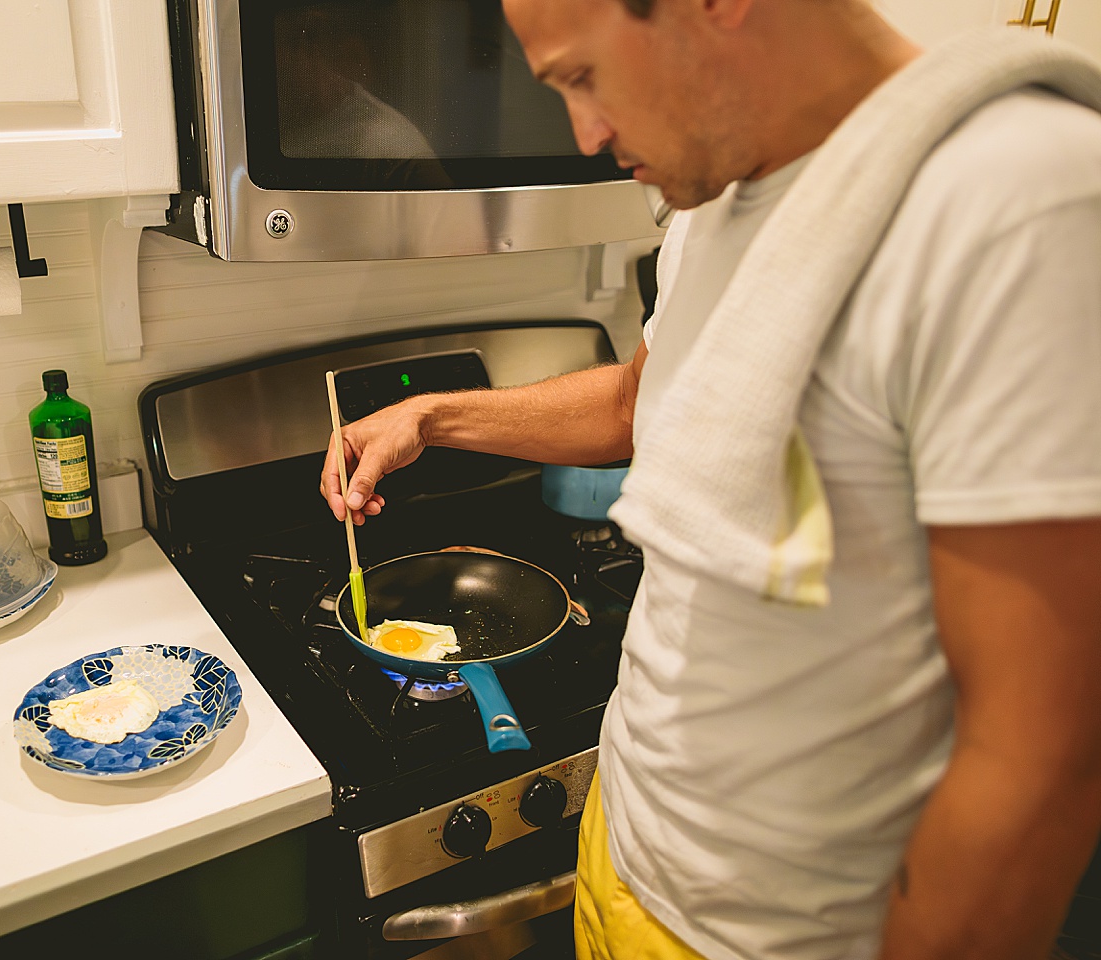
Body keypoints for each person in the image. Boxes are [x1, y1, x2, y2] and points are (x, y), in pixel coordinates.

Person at [319, 1, 1101, 959]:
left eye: (581, 77)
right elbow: (639, 404)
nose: (587, 134)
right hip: (627, 849)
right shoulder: (719, 192)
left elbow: (1043, 755)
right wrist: (432, 418)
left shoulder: (1022, 198)